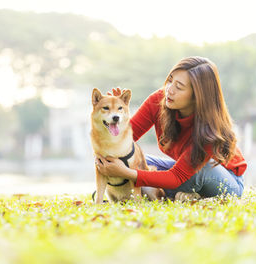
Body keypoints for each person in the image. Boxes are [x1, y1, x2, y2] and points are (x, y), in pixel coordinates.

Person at [95, 56, 247, 201]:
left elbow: (176, 177)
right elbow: (125, 140)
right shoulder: (159, 100)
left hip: (225, 180)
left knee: (199, 171)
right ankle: (171, 193)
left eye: (179, 87)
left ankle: (156, 192)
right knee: (135, 160)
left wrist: (125, 173)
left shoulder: (210, 130)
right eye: (170, 80)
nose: (169, 90)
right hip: (183, 171)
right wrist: (117, 114)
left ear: (197, 96)